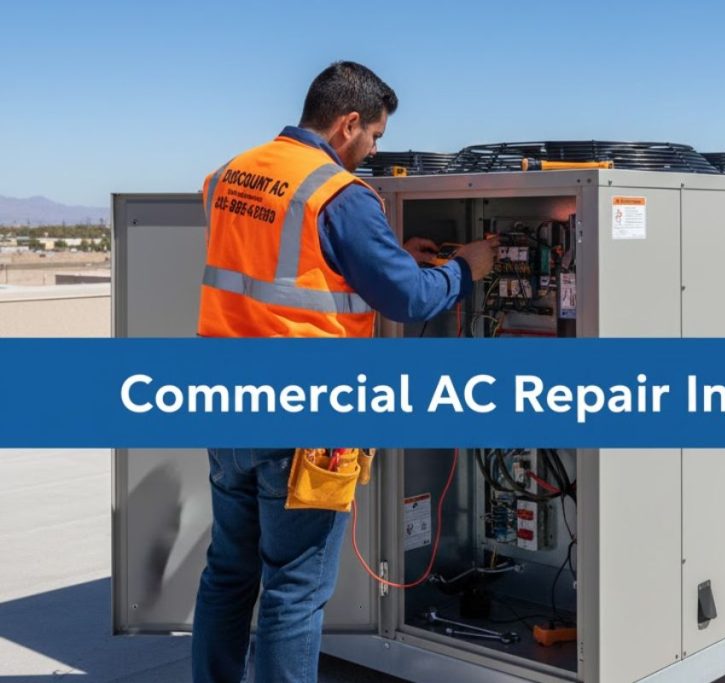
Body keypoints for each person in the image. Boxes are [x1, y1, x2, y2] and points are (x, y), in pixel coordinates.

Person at [191, 61, 496, 683]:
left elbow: (290, 265)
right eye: (375, 137)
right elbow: (408, 301)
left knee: (227, 572)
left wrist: (387, 258)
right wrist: (466, 268)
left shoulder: (228, 174)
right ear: (348, 122)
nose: (373, 150)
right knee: (293, 591)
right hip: (302, 418)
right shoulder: (337, 192)